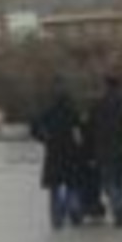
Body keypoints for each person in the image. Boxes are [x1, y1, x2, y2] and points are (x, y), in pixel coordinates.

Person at [31, 84, 84, 230]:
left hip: (53, 151)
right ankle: (71, 207)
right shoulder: (72, 112)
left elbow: (34, 125)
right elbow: (80, 131)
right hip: (70, 153)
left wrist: (43, 138)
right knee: (71, 184)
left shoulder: (49, 112)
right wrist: (79, 147)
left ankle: (56, 218)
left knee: (55, 188)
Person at [89, 75, 122, 228]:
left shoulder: (99, 103)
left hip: (105, 148)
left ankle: (118, 205)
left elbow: (92, 125)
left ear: (106, 86)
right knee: (120, 180)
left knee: (108, 181)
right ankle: (119, 210)